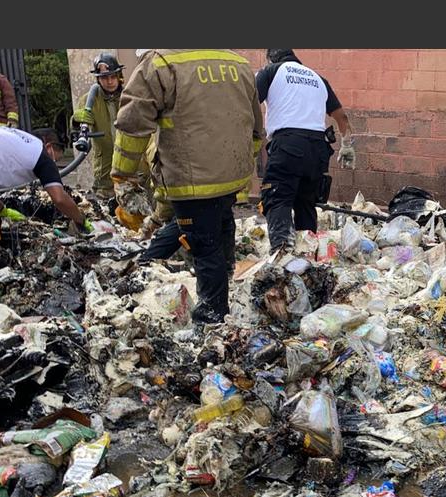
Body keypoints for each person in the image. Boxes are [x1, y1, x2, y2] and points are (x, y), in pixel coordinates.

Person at [111, 49, 264, 324]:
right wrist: (243, 167)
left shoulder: (160, 63)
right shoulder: (237, 62)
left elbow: (133, 123)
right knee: (221, 224)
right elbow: (254, 127)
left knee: (204, 246)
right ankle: (228, 284)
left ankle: (212, 316)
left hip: (191, 179)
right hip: (231, 176)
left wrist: (122, 174)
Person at [0, 126, 90, 296]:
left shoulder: (20, 143)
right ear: (49, 147)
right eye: (56, 157)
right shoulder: (40, 154)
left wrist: (2, 209)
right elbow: (60, 199)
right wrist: (81, 220)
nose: (54, 164)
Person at [256, 48, 355, 252]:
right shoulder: (318, 78)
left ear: (270, 58)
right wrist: (347, 146)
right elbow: (342, 118)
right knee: (306, 203)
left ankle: (282, 254)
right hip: (318, 150)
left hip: (288, 144)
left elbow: (249, 102)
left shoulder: (271, 71)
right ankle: (307, 255)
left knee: (277, 198)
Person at [72, 52, 127, 200]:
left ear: (119, 76)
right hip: (105, 170)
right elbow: (80, 129)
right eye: (104, 77)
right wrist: (76, 121)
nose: (109, 81)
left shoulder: (129, 97)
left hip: (132, 168)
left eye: (112, 76)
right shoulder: (89, 99)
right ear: (98, 79)